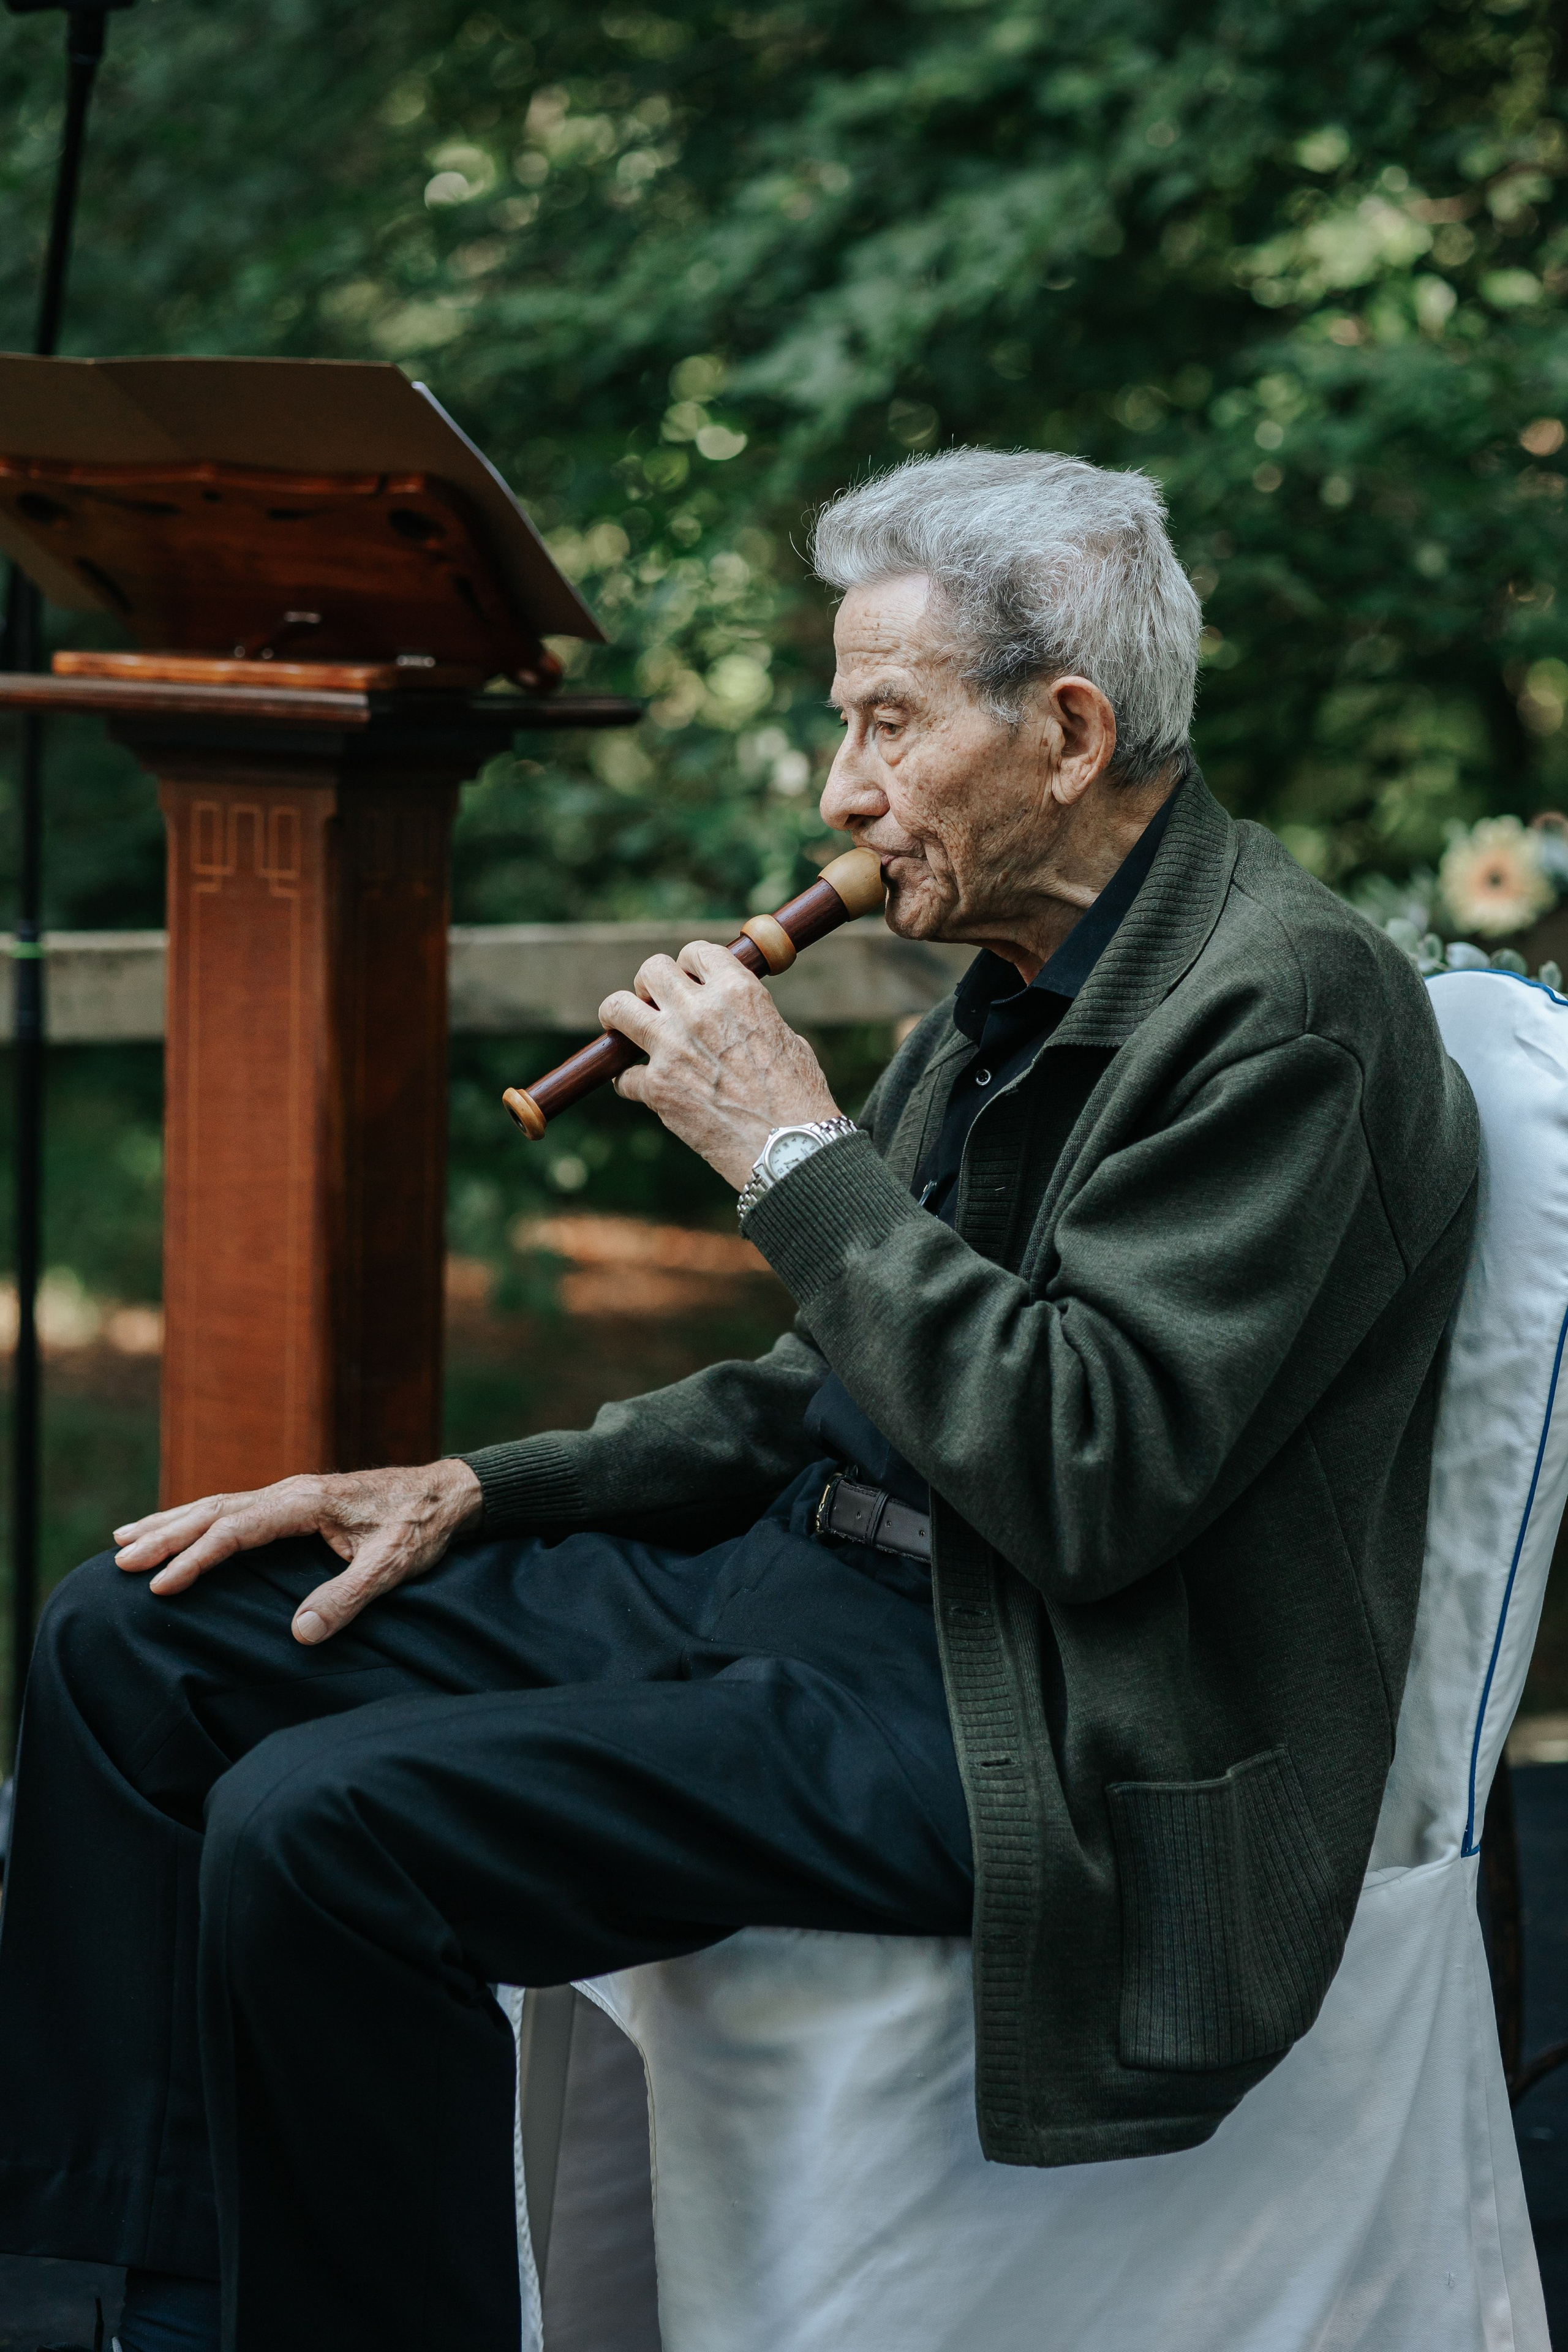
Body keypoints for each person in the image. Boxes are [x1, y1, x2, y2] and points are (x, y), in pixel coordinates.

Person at [0, 450, 1478, 2352]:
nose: (838, 794)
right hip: (805, 1587)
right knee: (135, 1642)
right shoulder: (1015, 971)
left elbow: (1088, 1478)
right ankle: (140, 2304)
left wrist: (793, 1149)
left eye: (884, 723)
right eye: (840, 723)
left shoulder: (1287, 1010)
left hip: (1031, 1707)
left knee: (323, 1820)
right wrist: (475, 1484)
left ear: (1070, 729)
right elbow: (813, 1399)